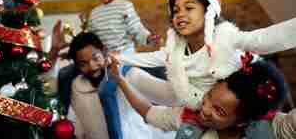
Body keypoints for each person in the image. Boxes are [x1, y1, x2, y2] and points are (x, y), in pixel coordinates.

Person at [112, 0, 296, 111]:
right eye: (175, 11)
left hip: (232, 105)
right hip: (195, 101)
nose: (180, 14)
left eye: (189, 8)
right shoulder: (175, 51)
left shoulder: (227, 38)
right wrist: (118, 57)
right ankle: (133, 77)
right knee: (169, 94)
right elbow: (152, 58)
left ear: (209, 13)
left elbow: (262, 39)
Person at [109, 52, 296, 139]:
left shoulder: (276, 128)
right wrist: (121, 79)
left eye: (219, 111)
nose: (204, 110)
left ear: (241, 121)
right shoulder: (187, 116)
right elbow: (148, 111)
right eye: (208, 98)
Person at [86, 0, 166, 139]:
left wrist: (149, 38)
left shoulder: (124, 5)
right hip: (104, 60)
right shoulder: (94, 13)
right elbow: (92, 40)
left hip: (125, 57)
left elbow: (136, 29)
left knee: (106, 93)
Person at [57, 32, 109, 139]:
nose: (92, 67)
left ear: (104, 51)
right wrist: (53, 51)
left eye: (95, 58)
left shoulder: (123, 76)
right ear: (76, 66)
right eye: (83, 64)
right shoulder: (75, 86)